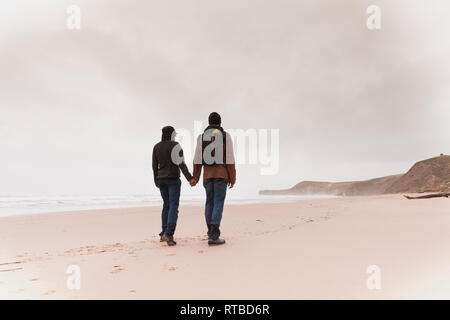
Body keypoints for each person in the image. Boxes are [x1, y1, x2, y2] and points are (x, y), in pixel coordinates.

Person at [192, 112, 236, 245]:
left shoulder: (201, 137)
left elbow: (197, 159)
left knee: (209, 203)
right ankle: (214, 235)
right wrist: (232, 178)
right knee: (218, 203)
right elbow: (230, 159)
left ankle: (210, 232)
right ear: (220, 123)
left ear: (208, 122)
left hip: (207, 176)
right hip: (221, 175)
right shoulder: (224, 136)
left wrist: (196, 177)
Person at [152, 126, 196, 246]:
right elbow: (181, 164)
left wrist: (156, 180)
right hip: (173, 179)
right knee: (173, 206)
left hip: (161, 180)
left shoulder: (157, 147)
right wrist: (190, 178)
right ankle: (169, 234)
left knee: (166, 205)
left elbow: (154, 167)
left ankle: (163, 233)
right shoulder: (175, 146)